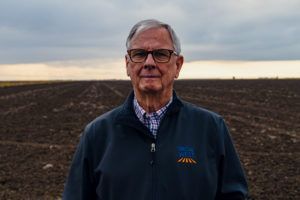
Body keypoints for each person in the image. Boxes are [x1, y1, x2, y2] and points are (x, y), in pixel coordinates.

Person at [63, 19, 249, 200]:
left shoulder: (210, 127)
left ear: (178, 65)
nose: (149, 62)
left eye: (160, 54)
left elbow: (233, 195)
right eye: (139, 54)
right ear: (128, 64)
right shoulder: (98, 134)